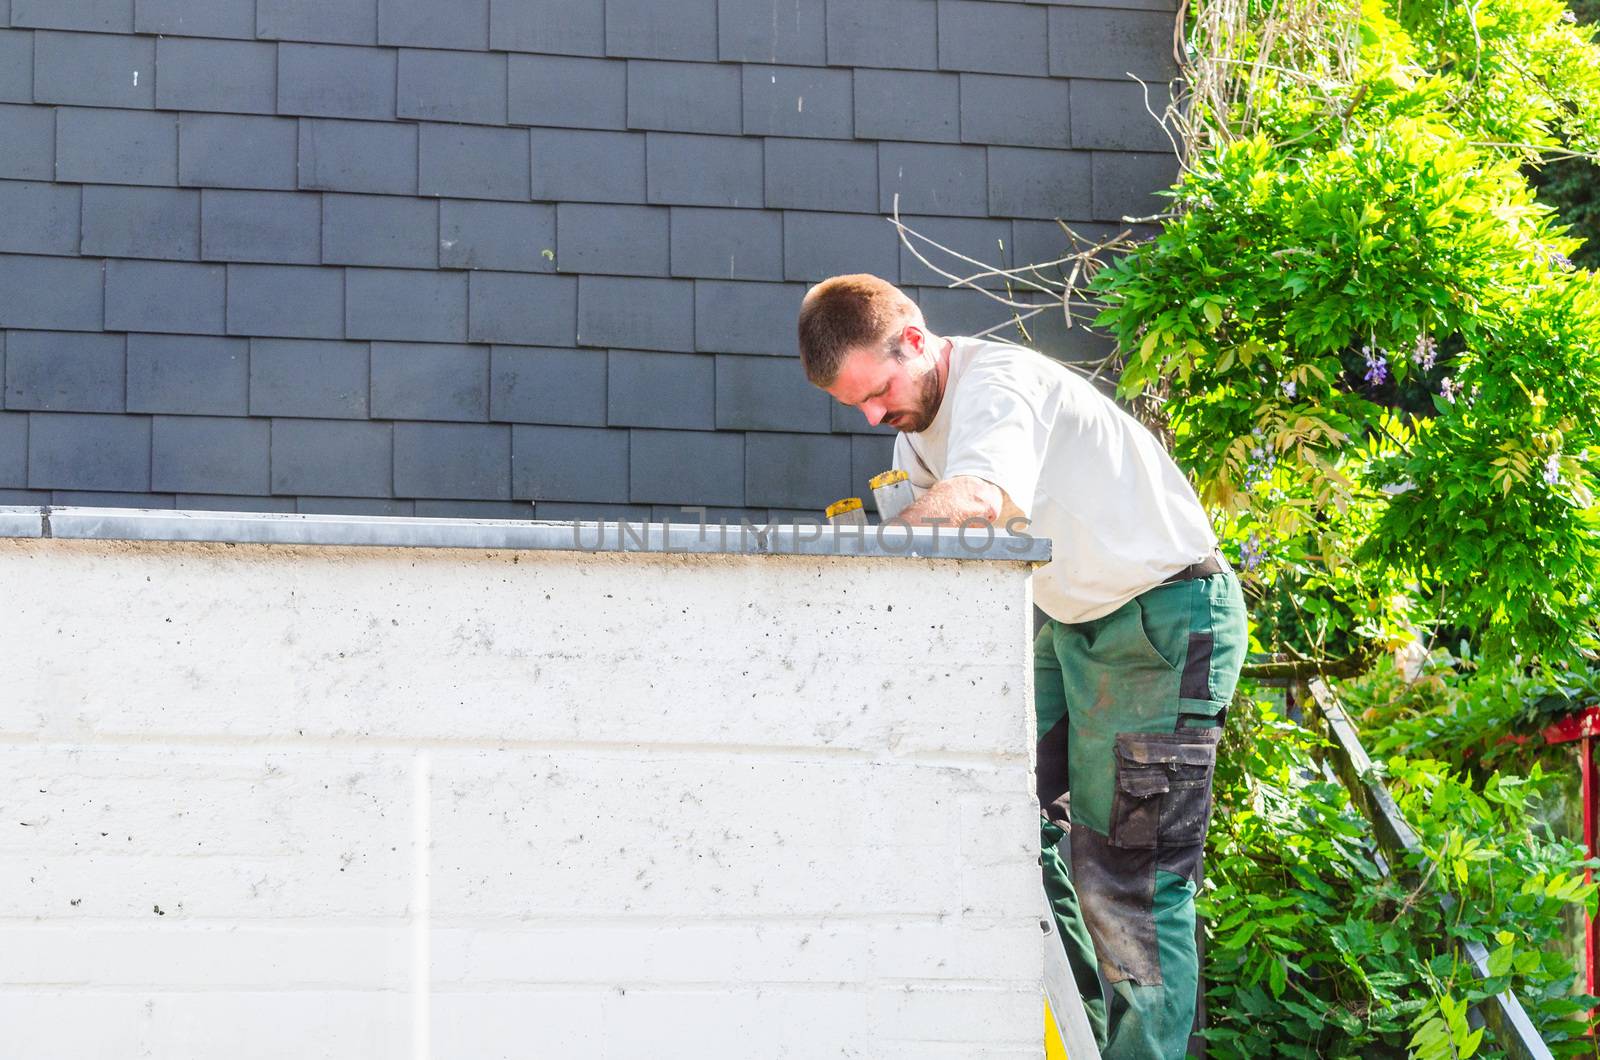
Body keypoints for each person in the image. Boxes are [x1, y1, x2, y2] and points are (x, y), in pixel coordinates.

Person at [796, 274, 1248, 1060]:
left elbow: (977, 502)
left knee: (1134, 881)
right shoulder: (912, 435)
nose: (874, 415)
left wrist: (860, 549)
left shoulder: (997, 384)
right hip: (1076, 624)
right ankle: (1074, 1018)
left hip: (1166, 621)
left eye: (879, 391)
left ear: (914, 338)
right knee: (981, 799)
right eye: (855, 407)